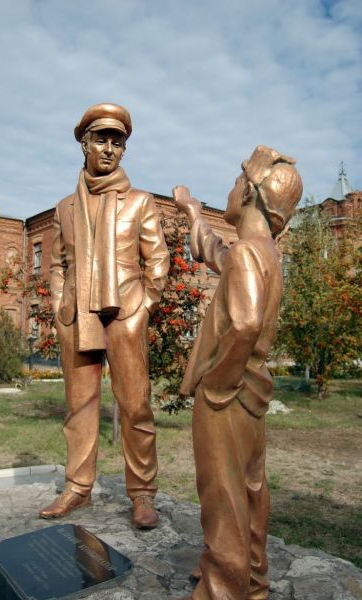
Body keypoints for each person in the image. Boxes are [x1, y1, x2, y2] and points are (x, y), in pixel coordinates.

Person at [172, 145, 303, 600]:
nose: (228, 190)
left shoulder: (247, 253)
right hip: (252, 392)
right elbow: (218, 257)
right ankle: (253, 580)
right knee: (249, 489)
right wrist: (191, 213)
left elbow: (245, 322)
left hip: (228, 394)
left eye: (234, 182)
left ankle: (221, 589)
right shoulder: (264, 252)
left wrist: (218, 382)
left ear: (249, 190)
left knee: (222, 495)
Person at [39, 103, 169, 528]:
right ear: (85, 145)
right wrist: (61, 305)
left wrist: (144, 305)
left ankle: (143, 494)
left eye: (118, 142)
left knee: (135, 406)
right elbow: (56, 263)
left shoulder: (140, 202)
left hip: (126, 313)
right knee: (79, 407)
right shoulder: (64, 209)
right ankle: (78, 488)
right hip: (77, 315)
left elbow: (159, 261)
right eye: (101, 140)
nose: (110, 149)